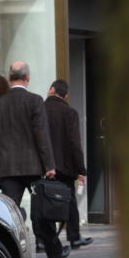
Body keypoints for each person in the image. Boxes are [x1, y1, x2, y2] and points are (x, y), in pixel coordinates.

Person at [0, 61, 68, 258]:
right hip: (32, 166)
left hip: (6, 167)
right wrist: (49, 165)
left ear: (9, 78)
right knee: (41, 211)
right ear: (27, 78)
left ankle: (5, 255)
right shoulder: (34, 101)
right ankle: (53, 251)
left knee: (8, 214)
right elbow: (42, 134)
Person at [43, 79, 91, 247]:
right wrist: (81, 170)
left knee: (44, 203)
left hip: (42, 166)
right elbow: (75, 144)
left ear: (51, 90)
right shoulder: (70, 113)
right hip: (64, 167)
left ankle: (44, 241)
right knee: (70, 201)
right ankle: (74, 237)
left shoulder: (39, 110)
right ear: (66, 95)